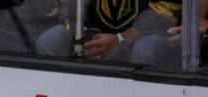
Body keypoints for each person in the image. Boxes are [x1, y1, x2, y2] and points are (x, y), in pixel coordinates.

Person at [35, 0, 183, 67]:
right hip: (95, 33)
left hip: (141, 38)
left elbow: (165, 13)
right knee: (50, 41)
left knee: (146, 50)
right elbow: (69, 6)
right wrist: (79, 36)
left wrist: (121, 41)